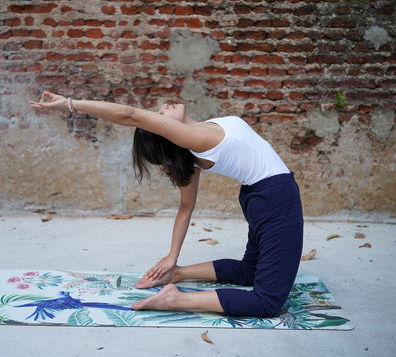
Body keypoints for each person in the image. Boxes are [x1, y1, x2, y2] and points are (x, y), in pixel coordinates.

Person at [30, 91, 303, 317]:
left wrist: (173, 261)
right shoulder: (196, 139)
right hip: (275, 197)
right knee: (267, 303)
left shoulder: (194, 147)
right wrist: (69, 103)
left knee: (251, 272)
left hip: (259, 196)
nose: (162, 109)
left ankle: (178, 276)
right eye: (160, 118)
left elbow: (186, 207)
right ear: (168, 134)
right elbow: (129, 114)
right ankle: (175, 300)